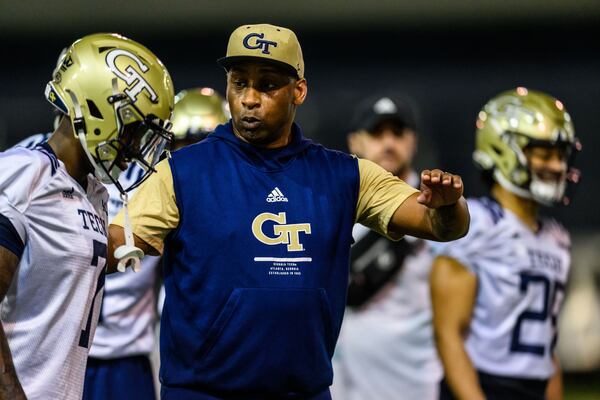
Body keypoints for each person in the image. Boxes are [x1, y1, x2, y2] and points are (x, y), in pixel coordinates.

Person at [108, 23, 470, 399]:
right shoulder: (183, 172)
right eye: (238, 82)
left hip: (303, 392)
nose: (249, 98)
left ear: (299, 90)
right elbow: (114, 245)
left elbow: (438, 224)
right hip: (202, 392)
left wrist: (448, 207)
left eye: (266, 85)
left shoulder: (343, 175)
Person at [0, 33, 174, 399]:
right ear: (98, 109)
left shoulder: (92, 194)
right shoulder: (24, 173)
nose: (136, 146)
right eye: (133, 129)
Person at [430, 87, 581, 400]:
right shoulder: (477, 224)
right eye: (544, 153)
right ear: (504, 150)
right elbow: (448, 334)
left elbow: (547, 350)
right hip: (481, 386)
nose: (556, 166)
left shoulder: (557, 239)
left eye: (560, 155)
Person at [81, 87, 229, 400]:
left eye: (205, 146)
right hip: (77, 352)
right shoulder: (152, 184)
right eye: (184, 146)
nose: (195, 159)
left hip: (131, 356)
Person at [332, 95, 442, 400]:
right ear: (354, 141)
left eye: (398, 133)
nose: (388, 143)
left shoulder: (438, 207)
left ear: (413, 141)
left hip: (417, 383)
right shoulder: (333, 204)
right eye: (377, 133)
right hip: (345, 383)